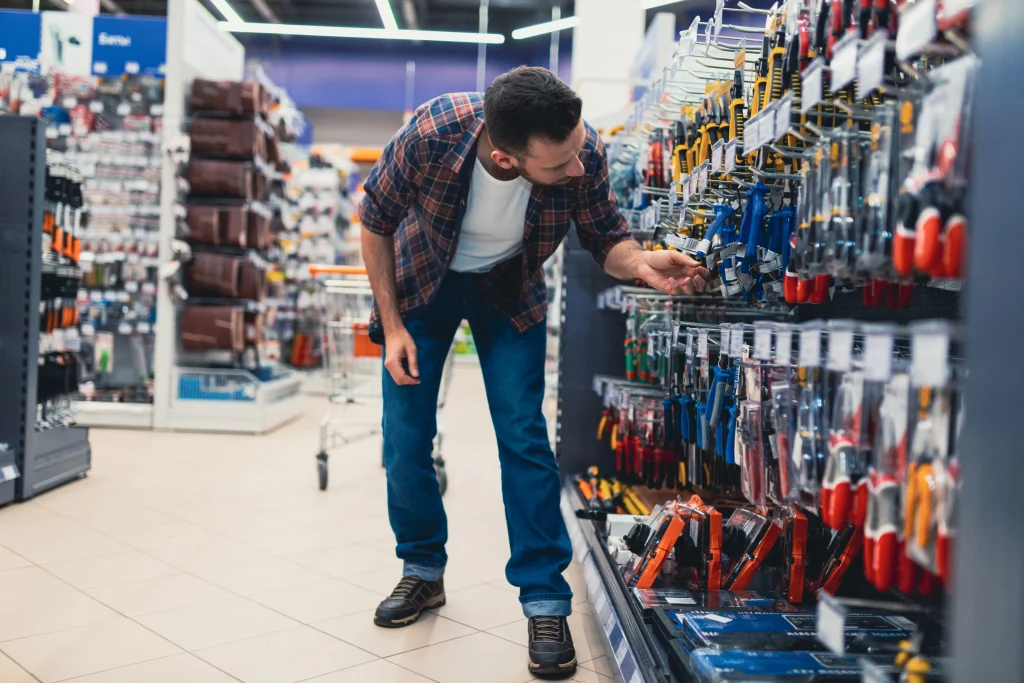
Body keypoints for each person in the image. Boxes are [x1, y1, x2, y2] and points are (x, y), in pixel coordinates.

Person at [359, 66, 710, 677]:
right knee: (405, 438)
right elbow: (375, 219)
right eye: (559, 166)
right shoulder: (432, 133)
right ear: (505, 156)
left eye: (578, 153)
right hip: (424, 288)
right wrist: (391, 328)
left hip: (509, 292)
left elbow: (608, 238)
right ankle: (422, 570)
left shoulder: (582, 147)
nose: (577, 168)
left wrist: (643, 264)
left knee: (523, 436)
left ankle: (544, 598)